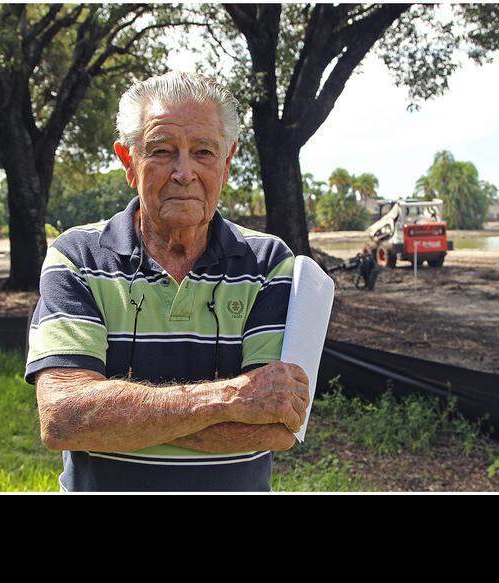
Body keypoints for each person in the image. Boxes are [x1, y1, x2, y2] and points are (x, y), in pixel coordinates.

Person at [24, 71, 309, 492]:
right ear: (129, 162)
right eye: (161, 151)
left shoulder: (269, 263)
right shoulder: (77, 257)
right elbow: (63, 418)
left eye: (203, 152)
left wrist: (118, 420)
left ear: (227, 163)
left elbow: (275, 426)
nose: (183, 172)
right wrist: (229, 400)